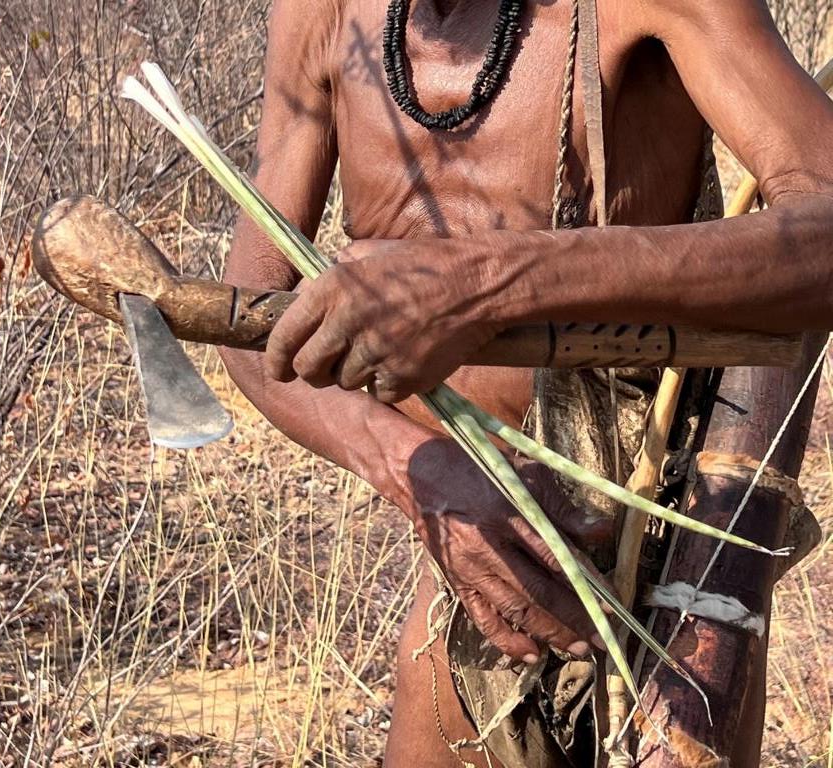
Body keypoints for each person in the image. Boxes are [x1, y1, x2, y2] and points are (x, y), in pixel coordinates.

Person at [219, 1, 833, 765]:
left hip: (657, 564)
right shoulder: (324, 13)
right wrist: (419, 471)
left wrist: (489, 281)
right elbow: (252, 322)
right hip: (471, 570)